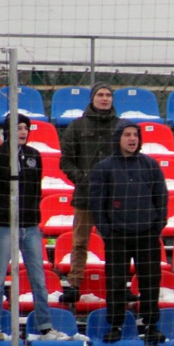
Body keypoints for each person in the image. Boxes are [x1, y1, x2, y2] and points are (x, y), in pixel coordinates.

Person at [0, 113, 68, 341]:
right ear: (7, 130)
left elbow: (36, 189)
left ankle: (45, 327)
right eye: (18, 127)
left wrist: (31, 214)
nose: (23, 132)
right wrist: (0, 218)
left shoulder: (34, 156)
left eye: (25, 128)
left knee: (38, 278)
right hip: (5, 226)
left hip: (30, 226)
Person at [88, 120, 168, 344]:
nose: (132, 139)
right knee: (115, 283)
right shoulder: (104, 167)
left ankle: (151, 326)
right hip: (117, 236)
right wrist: (107, 230)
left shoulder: (150, 165)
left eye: (135, 135)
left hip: (147, 235)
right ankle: (115, 326)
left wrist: (157, 226)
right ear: (118, 138)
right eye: (127, 135)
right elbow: (97, 202)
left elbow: (161, 197)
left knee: (150, 282)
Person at [59, 82, 120, 304]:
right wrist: (84, 180)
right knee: (80, 242)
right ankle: (74, 285)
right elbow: (66, 161)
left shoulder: (121, 126)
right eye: (100, 95)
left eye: (108, 95)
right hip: (85, 195)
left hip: (114, 197)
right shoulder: (76, 127)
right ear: (92, 98)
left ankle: (118, 285)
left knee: (116, 244)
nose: (104, 98)